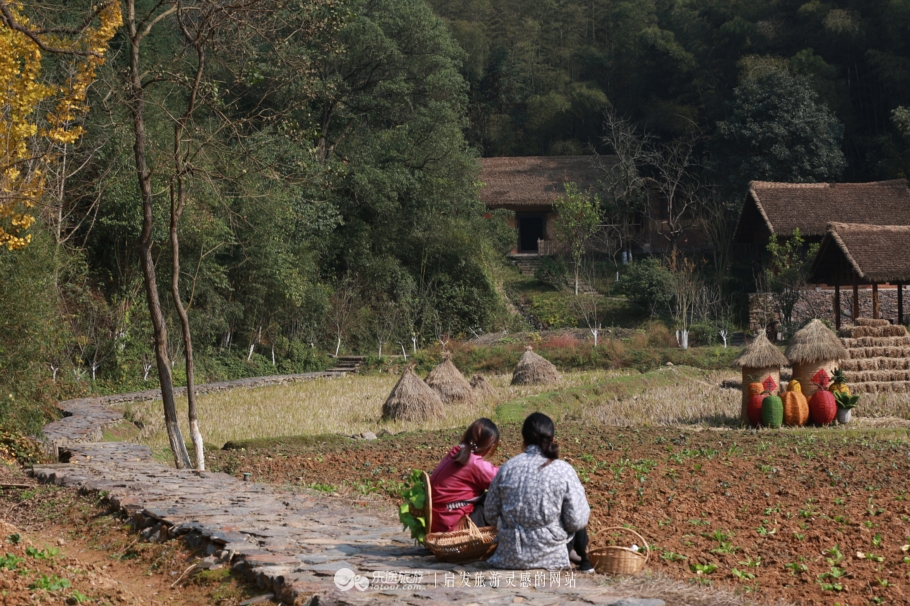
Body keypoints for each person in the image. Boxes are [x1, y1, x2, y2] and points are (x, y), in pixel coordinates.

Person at [484, 412, 593, 571]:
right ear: (552, 439)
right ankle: (586, 563)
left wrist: (511, 527)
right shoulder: (563, 470)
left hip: (509, 555)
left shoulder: (507, 468)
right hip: (551, 556)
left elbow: (490, 513)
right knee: (577, 510)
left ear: (524, 440)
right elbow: (576, 521)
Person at [429, 418, 500, 533]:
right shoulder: (474, 464)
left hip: (438, 524)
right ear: (490, 446)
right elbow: (505, 479)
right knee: (498, 496)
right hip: (454, 527)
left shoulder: (455, 452)